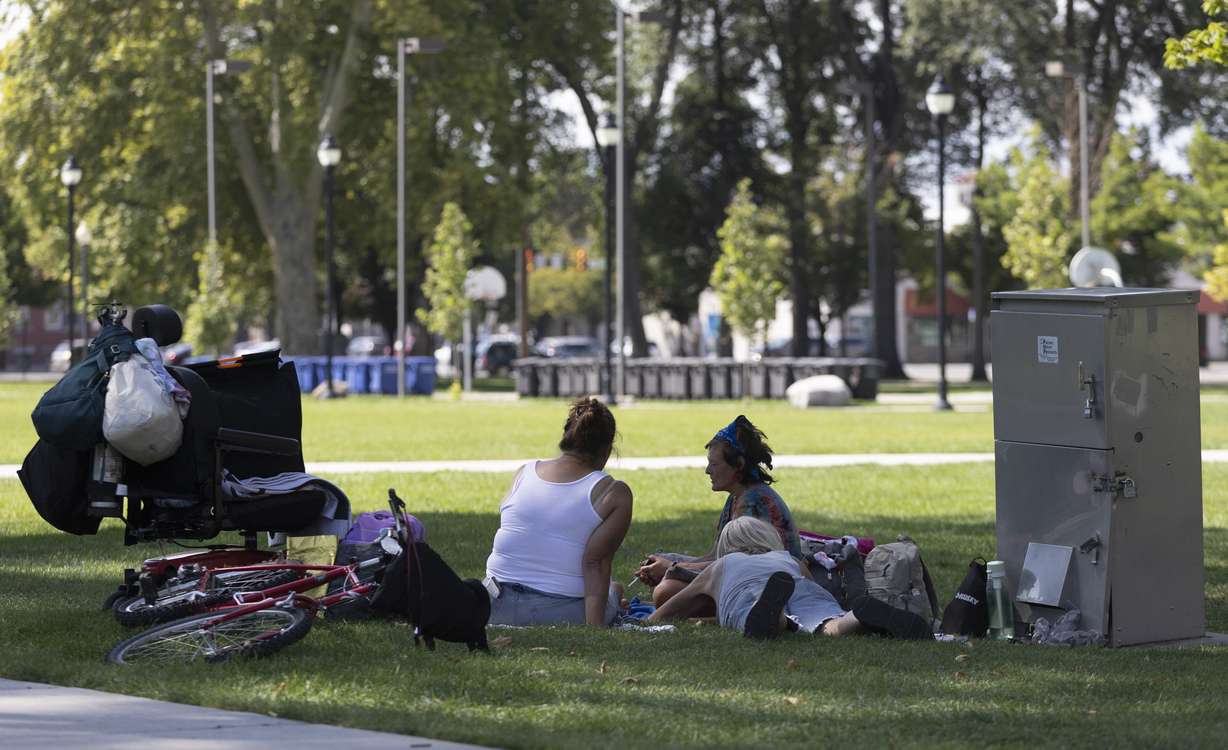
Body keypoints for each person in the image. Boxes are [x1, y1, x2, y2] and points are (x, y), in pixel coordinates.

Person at [646, 517, 932, 640]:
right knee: (827, 624)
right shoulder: (787, 559)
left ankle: (776, 617)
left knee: (754, 612)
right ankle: (858, 616)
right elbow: (815, 587)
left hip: (751, 593)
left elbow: (666, 613)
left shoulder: (721, 565)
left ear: (726, 547)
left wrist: (645, 619)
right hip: (800, 584)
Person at [483, 397, 633, 626]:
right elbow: (596, 564)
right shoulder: (615, 493)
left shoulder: (524, 473)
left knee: (613, 591)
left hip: (491, 603)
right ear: (607, 448)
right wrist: (597, 628)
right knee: (614, 589)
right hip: (551, 611)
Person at [637, 415, 800, 610]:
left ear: (738, 465)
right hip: (738, 577)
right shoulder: (737, 496)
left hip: (760, 586)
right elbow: (715, 557)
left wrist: (673, 568)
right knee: (665, 575)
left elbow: (732, 567)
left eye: (714, 464)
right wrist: (668, 562)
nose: (707, 471)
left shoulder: (754, 502)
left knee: (666, 591)